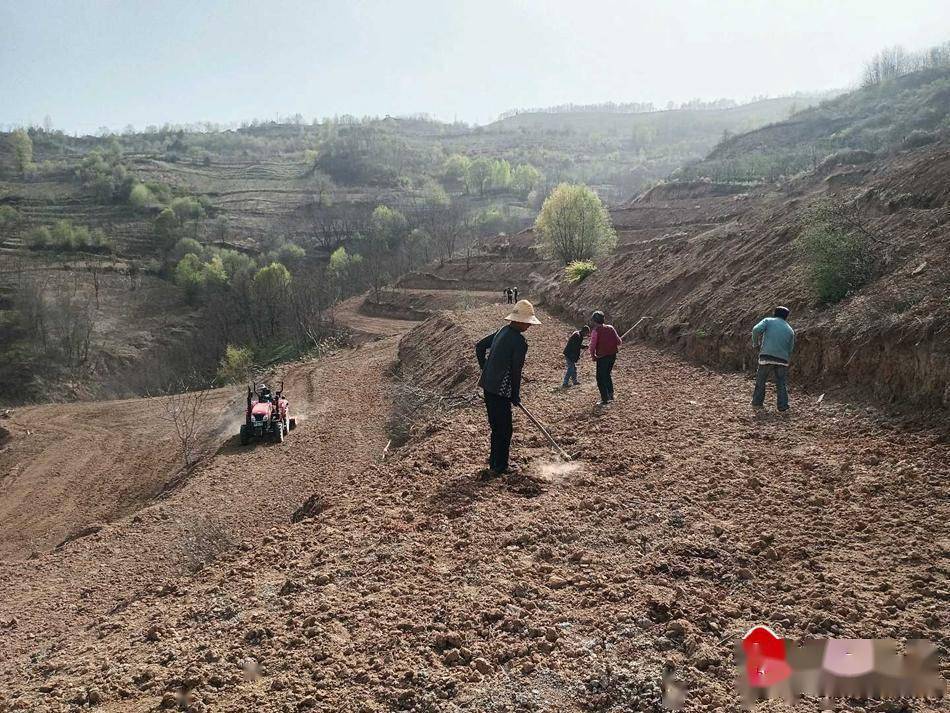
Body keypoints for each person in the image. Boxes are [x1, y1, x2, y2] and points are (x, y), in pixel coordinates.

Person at [475, 299, 541, 476]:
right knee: (505, 429)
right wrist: (515, 394)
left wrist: (485, 368)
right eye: (527, 323)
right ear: (518, 321)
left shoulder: (502, 331)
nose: (528, 326)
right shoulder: (520, 342)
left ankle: (495, 463)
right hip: (500, 391)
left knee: (497, 428)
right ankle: (500, 467)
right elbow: (516, 370)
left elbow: (480, 346)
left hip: (488, 386)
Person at [751, 306, 795, 412]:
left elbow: (756, 329)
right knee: (781, 383)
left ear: (775, 313)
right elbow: (791, 348)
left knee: (761, 380)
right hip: (782, 359)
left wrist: (755, 344)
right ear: (786, 316)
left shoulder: (768, 321)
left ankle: (757, 403)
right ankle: (783, 406)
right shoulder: (790, 329)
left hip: (767, 356)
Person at [589, 311, 621, 406]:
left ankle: (604, 399)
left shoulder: (596, 331)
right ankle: (611, 394)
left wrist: (593, 356)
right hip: (612, 355)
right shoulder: (611, 328)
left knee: (600, 378)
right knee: (607, 374)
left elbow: (592, 346)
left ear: (595, 321)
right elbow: (619, 342)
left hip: (602, 357)